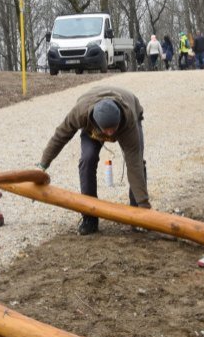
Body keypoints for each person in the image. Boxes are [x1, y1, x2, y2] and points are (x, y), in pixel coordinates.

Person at [36, 86, 150, 235]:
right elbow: (60, 137)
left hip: (129, 112)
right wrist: (42, 165)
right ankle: (89, 218)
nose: (110, 134)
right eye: (106, 130)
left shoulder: (128, 121)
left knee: (137, 163)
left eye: (113, 129)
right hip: (93, 124)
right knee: (87, 159)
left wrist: (144, 207)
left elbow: (133, 164)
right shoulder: (80, 113)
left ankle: (138, 215)